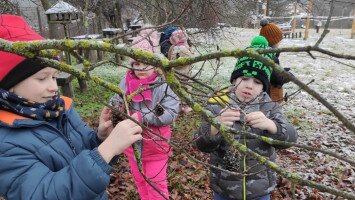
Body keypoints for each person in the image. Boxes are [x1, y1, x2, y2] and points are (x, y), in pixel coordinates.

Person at [0, 14, 143, 200]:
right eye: (42, 78)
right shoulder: (6, 143)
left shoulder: (58, 110)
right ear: (9, 83)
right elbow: (43, 194)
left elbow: (79, 152)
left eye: (53, 76)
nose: (53, 86)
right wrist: (106, 150)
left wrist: (100, 138)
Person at [194, 36, 298, 200]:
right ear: (234, 79)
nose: (249, 85)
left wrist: (272, 126)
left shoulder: (269, 107)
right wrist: (215, 126)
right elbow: (200, 143)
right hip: (224, 189)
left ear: (264, 86)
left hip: (260, 190)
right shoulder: (218, 105)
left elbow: (291, 138)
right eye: (244, 78)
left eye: (257, 82)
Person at [109, 28, 180, 200]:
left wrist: (143, 117)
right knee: (140, 182)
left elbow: (168, 111)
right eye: (136, 63)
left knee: (157, 187)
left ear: (155, 63)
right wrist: (115, 107)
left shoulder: (163, 84)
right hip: (132, 146)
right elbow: (116, 99)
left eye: (145, 63)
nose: (140, 68)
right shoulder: (126, 82)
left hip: (156, 146)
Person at [259, 18, 293, 103]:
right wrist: (287, 76)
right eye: (278, 41)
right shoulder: (270, 56)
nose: (279, 43)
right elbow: (276, 79)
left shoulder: (260, 51)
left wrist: (282, 70)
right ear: (272, 42)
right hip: (268, 95)